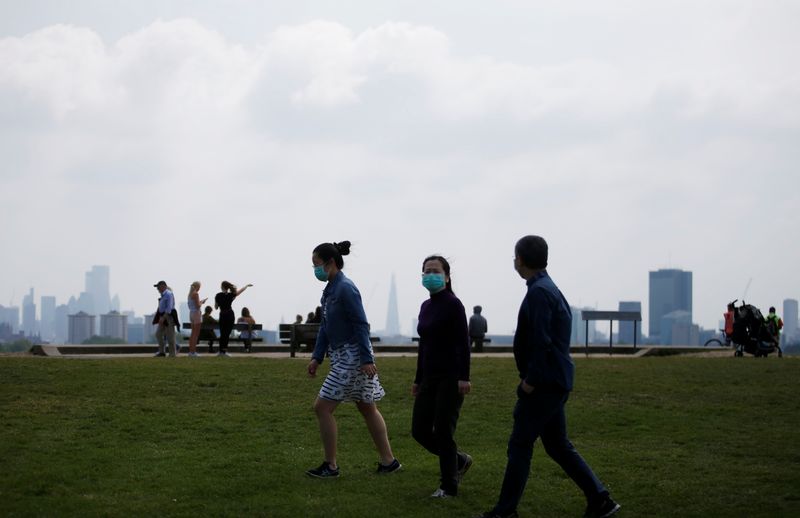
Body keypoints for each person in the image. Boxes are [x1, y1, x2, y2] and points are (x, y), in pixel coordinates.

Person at [480, 236, 619, 518]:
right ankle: (600, 500)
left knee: (520, 445)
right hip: (555, 380)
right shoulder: (547, 287)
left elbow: (542, 342)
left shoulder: (539, 292)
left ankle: (505, 512)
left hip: (543, 384)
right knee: (557, 445)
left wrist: (530, 381)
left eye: (514, 256)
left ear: (519, 259)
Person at [305, 240, 401, 478]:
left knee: (322, 407)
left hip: (353, 356)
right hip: (342, 355)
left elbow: (360, 324)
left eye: (317, 265)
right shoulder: (329, 291)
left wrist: (367, 359)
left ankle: (331, 465)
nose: (315, 270)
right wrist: (317, 357)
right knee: (367, 407)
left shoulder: (346, 288)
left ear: (331, 263)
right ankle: (389, 462)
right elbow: (325, 327)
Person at [412, 255, 472, 498]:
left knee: (444, 432)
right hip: (429, 377)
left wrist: (463, 377)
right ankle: (459, 461)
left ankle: (449, 486)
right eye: (426, 271)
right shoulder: (426, 307)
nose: (430, 274)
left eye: (435, 270)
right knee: (420, 431)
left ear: (447, 277)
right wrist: (417, 380)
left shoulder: (453, 304)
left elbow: (463, 343)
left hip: (450, 376)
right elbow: (423, 345)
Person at [214, 281, 252, 357]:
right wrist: (246, 286)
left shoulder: (218, 295)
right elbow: (239, 292)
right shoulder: (230, 295)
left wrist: (219, 303)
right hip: (230, 315)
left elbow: (216, 307)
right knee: (227, 334)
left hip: (222, 315)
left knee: (222, 333)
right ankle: (224, 351)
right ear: (227, 287)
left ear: (222, 287)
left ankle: (221, 351)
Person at [153, 280, 178, 357]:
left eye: (158, 287)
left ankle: (172, 354)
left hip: (168, 317)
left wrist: (163, 317)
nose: (157, 289)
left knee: (170, 336)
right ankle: (162, 352)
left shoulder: (168, 294)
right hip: (162, 317)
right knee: (158, 334)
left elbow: (169, 308)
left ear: (163, 286)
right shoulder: (163, 295)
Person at [187, 282, 208, 358]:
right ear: (197, 287)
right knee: (196, 334)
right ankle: (193, 352)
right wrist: (202, 302)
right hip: (196, 314)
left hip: (191, 314)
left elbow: (193, 304)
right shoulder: (196, 294)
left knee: (192, 334)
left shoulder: (189, 295)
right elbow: (198, 306)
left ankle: (190, 351)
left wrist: (200, 302)